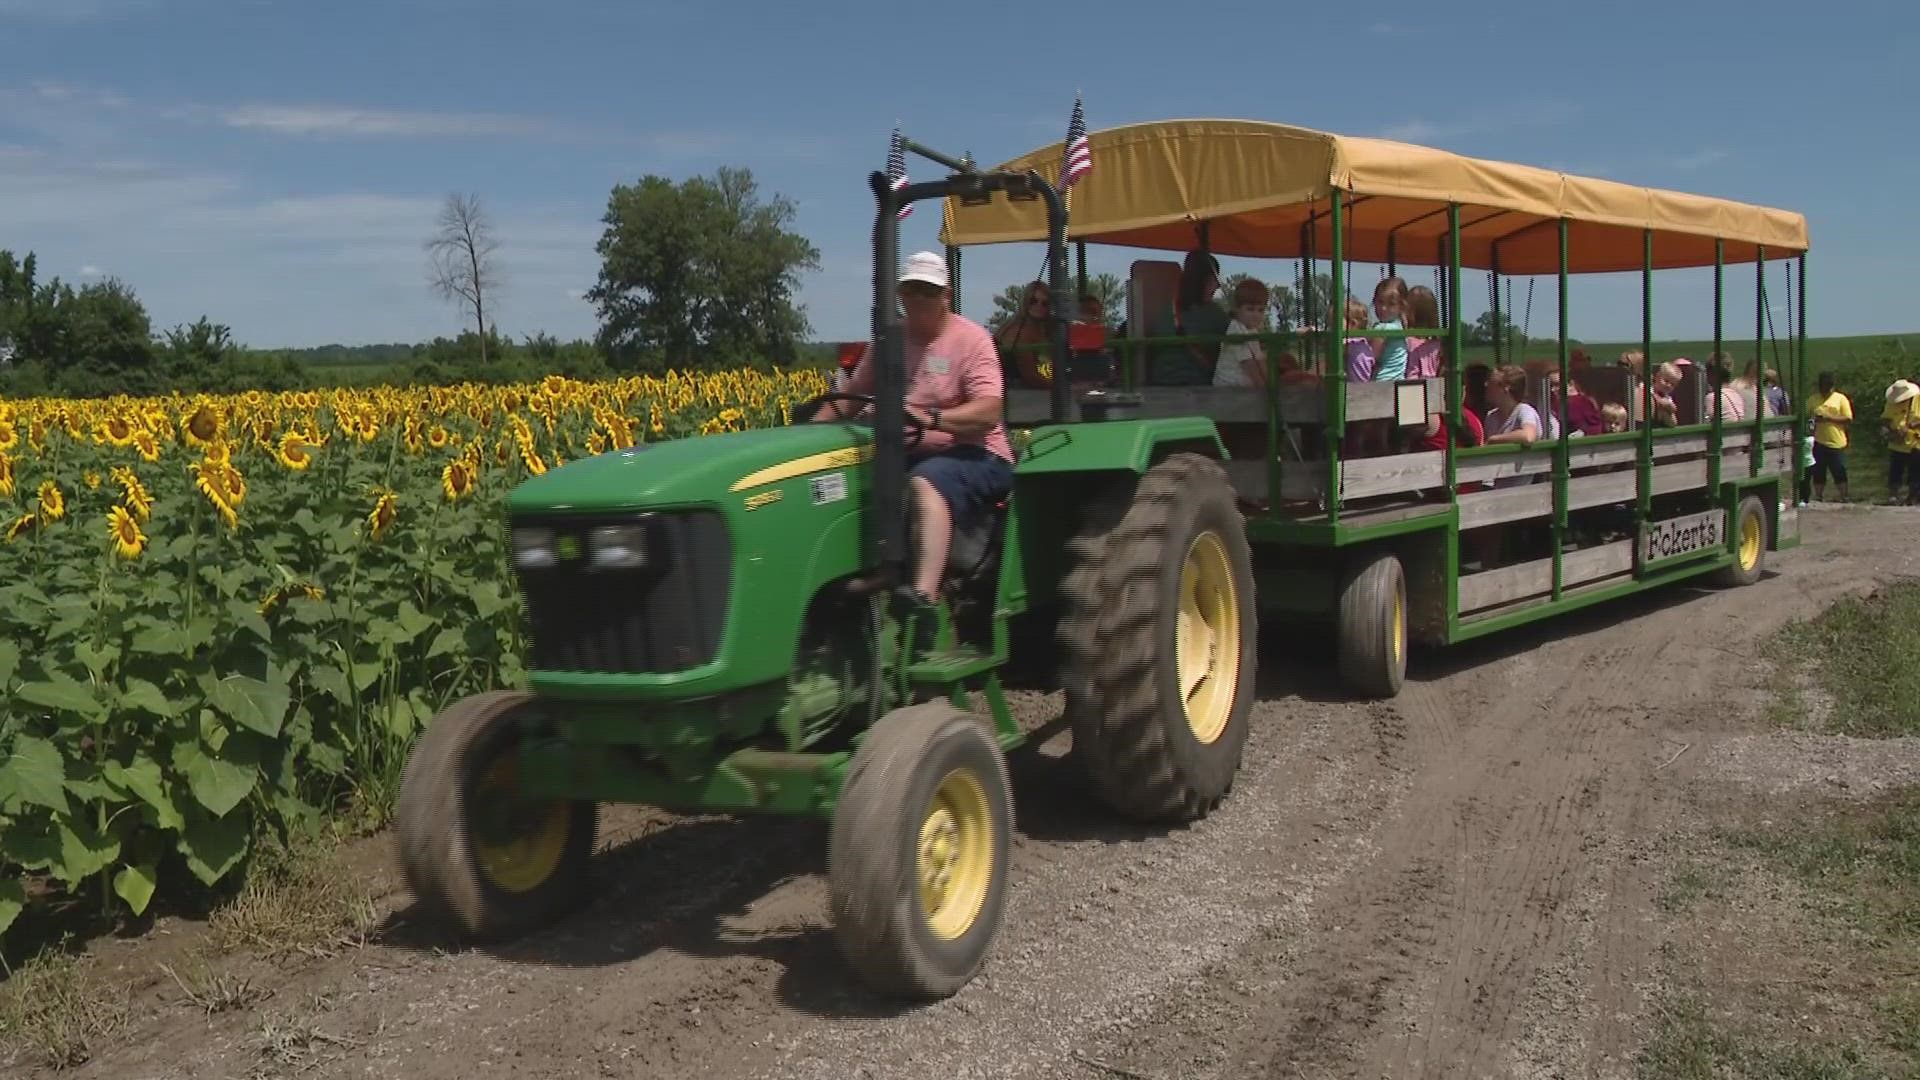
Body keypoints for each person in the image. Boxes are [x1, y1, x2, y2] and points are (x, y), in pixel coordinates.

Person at [815, 251, 1016, 605]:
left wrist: (933, 419)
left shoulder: (972, 341)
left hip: (977, 455)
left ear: (945, 295)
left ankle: (923, 594)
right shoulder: (889, 342)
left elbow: (989, 410)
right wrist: (812, 434)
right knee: (836, 481)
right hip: (904, 450)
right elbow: (854, 396)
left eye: (927, 290)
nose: (918, 298)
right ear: (899, 295)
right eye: (911, 290)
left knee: (926, 481)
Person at [1808, 371, 1852, 502]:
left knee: (1839, 469)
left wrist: (1829, 418)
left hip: (1836, 441)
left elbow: (1848, 418)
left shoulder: (1840, 399)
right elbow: (1806, 416)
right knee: (1818, 471)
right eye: (1824, 386)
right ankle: (1818, 495)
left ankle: (1844, 495)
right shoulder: (1813, 399)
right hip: (1818, 440)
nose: (1827, 389)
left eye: (1829, 386)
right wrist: (1813, 420)